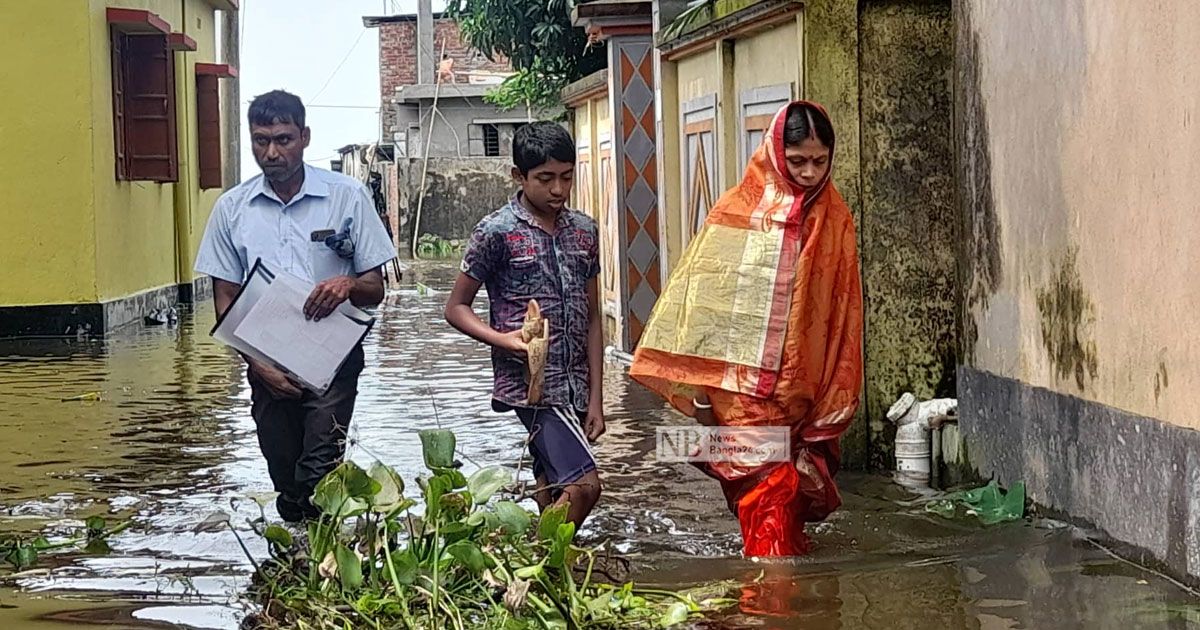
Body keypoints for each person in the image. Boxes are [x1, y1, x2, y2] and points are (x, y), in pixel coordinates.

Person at [630, 101, 863, 556]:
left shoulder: (836, 218)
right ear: (776, 153)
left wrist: (830, 394)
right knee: (768, 499)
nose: (810, 172)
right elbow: (707, 309)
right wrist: (701, 396)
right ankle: (768, 605)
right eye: (798, 161)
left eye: (820, 161)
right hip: (743, 398)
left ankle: (764, 605)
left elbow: (843, 312)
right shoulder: (737, 211)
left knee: (788, 505)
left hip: (804, 392)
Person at [194, 90, 397, 523]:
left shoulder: (348, 196)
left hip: (333, 356)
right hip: (267, 361)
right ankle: (301, 562)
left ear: (304, 137)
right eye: (261, 140)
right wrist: (255, 363)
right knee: (283, 473)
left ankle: (319, 559)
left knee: (318, 471)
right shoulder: (232, 209)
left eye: (283, 139)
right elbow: (225, 297)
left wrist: (346, 284)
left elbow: (375, 288)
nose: (272, 152)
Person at [444, 122, 605, 529]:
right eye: (545, 179)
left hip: (576, 384)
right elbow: (456, 307)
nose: (558, 189)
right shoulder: (495, 232)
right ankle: (540, 560)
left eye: (566, 177)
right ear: (519, 176)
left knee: (552, 485)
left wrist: (597, 399)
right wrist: (504, 340)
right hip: (529, 384)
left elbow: (592, 318)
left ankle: (551, 577)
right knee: (585, 487)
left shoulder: (585, 231)